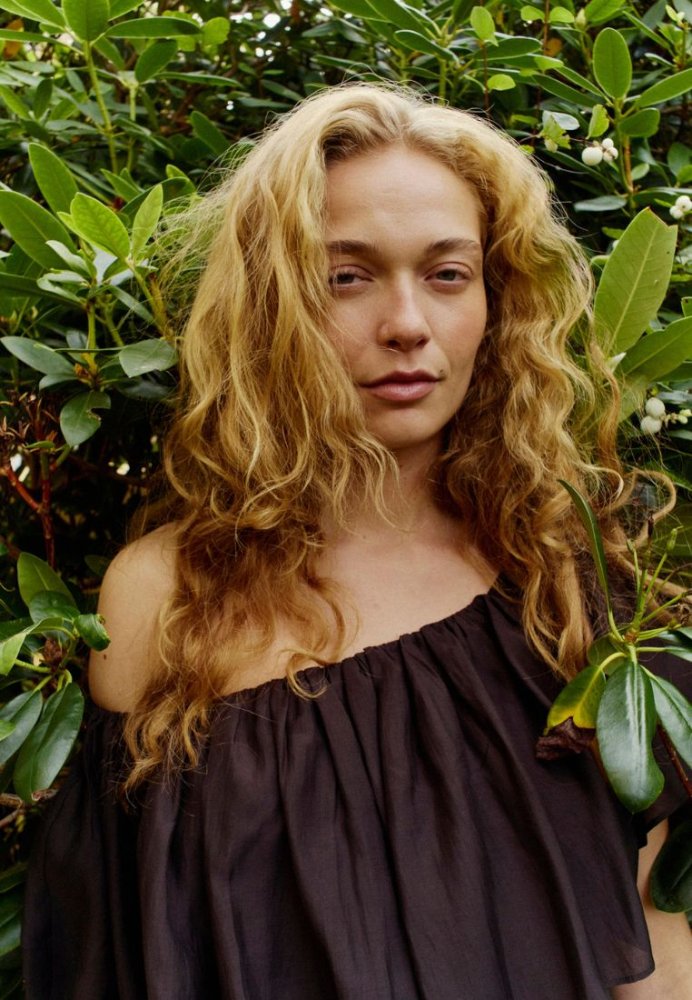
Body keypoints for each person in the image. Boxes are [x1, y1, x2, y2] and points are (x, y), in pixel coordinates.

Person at [23, 83, 690, 999]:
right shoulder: (165, 598)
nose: (407, 324)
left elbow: (650, 937)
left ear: (495, 301)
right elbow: (128, 957)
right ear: (271, 303)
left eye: (448, 274)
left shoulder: (563, 581)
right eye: (347, 276)